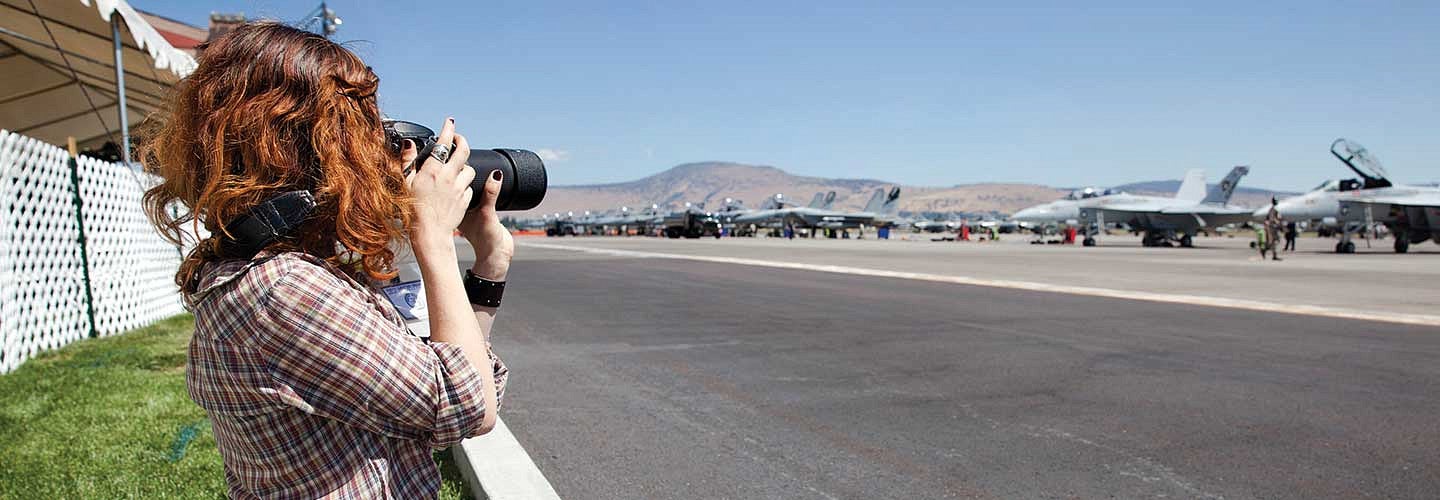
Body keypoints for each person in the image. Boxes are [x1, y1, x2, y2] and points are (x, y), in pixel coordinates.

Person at [139, 22, 509, 498]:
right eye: (358, 128)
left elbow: (460, 390)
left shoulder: (276, 271)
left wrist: (488, 270)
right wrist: (432, 237)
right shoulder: (281, 290)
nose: (375, 150)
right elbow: (469, 403)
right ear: (302, 147)